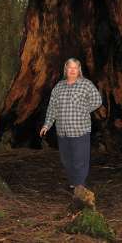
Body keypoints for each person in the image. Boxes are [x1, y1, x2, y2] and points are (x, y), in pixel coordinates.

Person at [40, 58, 102, 189]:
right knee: (66, 160)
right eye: (70, 67)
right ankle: (74, 182)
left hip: (80, 130)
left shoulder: (86, 84)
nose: (73, 70)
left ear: (79, 70)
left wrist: (84, 110)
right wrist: (47, 124)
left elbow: (97, 100)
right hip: (62, 131)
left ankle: (80, 187)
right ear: (66, 69)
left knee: (80, 160)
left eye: (75, 67)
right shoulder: (59, 87)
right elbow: (52, 107)